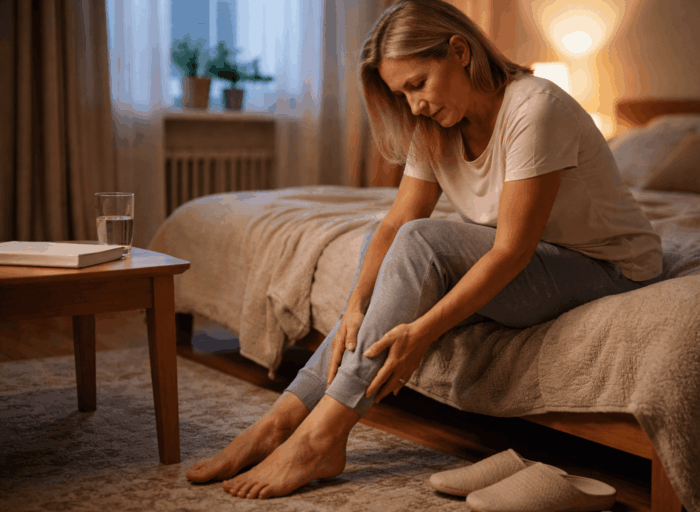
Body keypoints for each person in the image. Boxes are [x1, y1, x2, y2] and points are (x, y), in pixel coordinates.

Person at [185, 0, 663, 500]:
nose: (413, 105)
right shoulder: (434, 123)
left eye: (418, 84)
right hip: (536, 260)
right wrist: (354, 305)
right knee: (394, 248)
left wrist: (422, 332)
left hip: (609, 268)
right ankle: (280, 422)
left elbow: (511, 253)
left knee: (423, 244)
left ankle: (320, 438)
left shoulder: (536, 108)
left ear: (460, 51)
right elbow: (396, 220)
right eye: (401, 93)